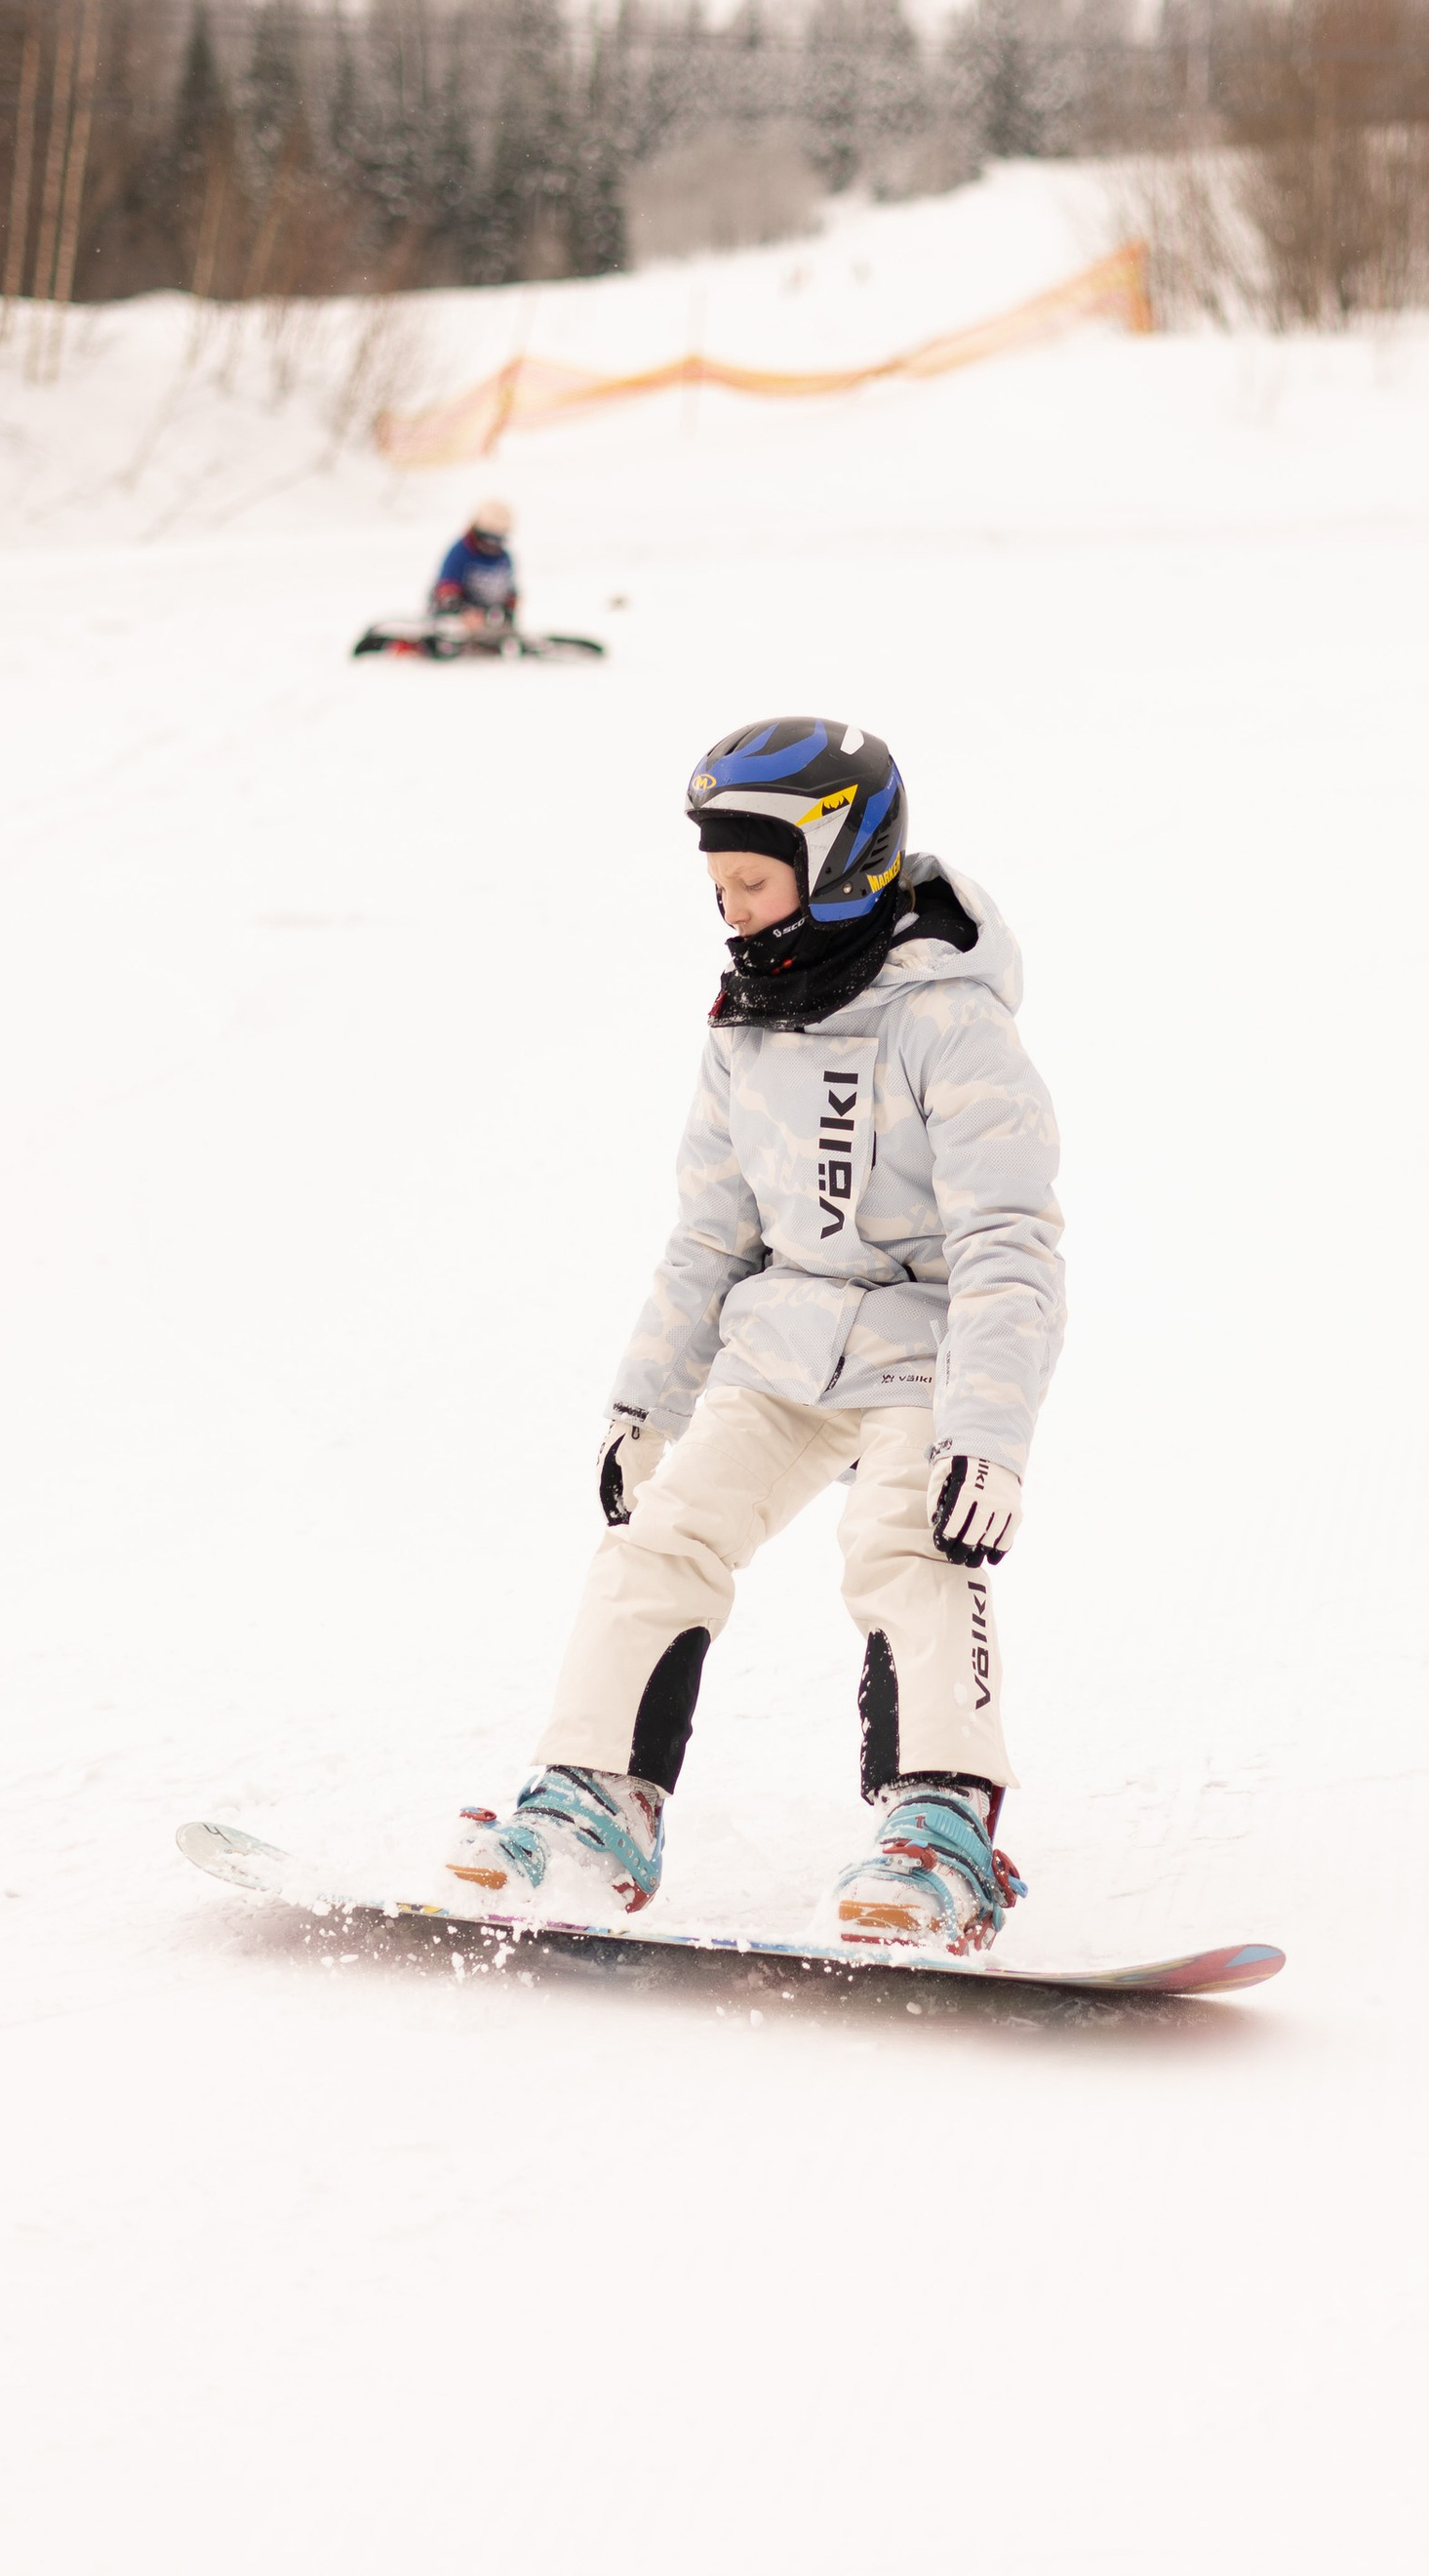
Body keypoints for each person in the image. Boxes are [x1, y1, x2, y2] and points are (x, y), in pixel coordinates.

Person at [450, 717, 1065, 1951]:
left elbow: (1010, 1243)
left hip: (922, 1352)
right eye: (717, 885)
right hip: (780, 1349)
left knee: (908, 1550)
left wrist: (986, 1435)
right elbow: (709, 1238)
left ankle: (939, 1829)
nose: (729, 910)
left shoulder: (951, 1023)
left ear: (838, 865)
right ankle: (594, 1805)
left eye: (751, 881)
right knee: (662, 1542)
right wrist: (648, 1405)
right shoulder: (746, 1018)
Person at [428, 503, 517, 629]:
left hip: (488, 623)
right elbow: (446, 591)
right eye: (488, 538)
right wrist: (464, 612)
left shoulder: (504, 559)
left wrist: (506, 616)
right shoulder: (460, 552)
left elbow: (510, 596)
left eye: (497, 540)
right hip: (455, 621)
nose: (491, 545)